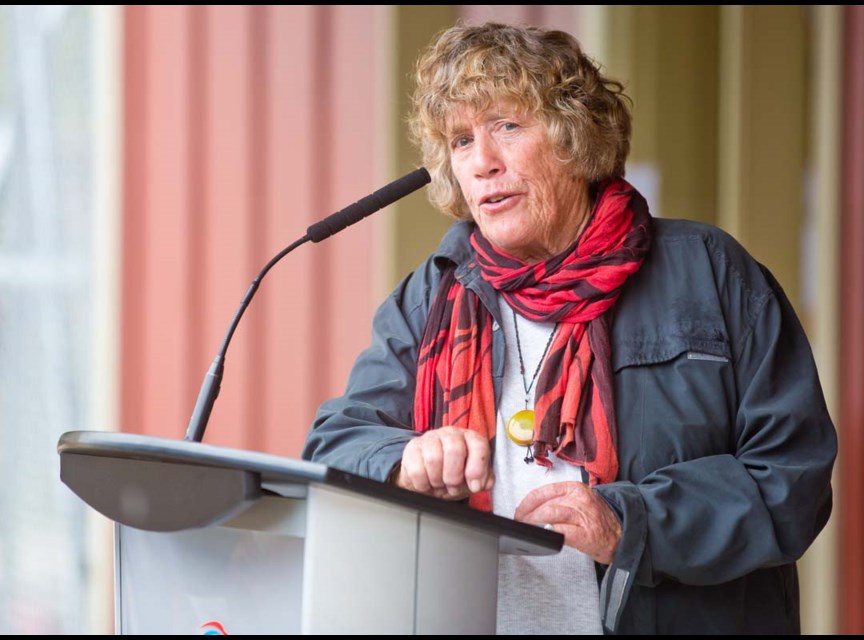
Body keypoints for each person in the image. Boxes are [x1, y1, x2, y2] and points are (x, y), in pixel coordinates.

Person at [303, 22, 836, 635]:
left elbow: (792, 478)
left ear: (573, 135)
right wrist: (403, 458)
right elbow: (336, 444)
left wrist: (634, 523)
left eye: (507, 125)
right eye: (460, 140)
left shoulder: (710, 273)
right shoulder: (432, 294)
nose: (481, 163)